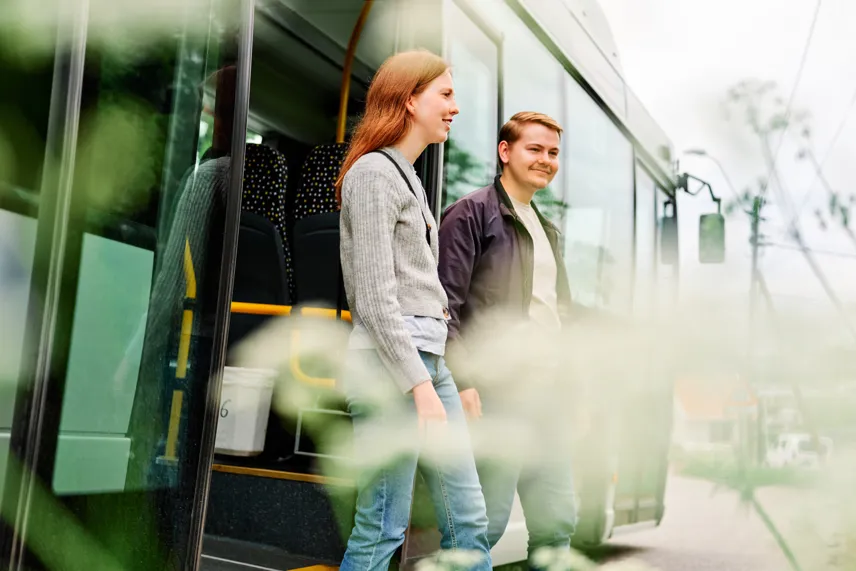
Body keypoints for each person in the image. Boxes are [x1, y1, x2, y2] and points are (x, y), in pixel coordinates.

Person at [335, 49, 492, 571]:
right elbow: (375, 300)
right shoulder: (375, 176)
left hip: (428, 364)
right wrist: (420, 387)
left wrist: (440, 375)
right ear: (409, 99)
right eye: (445, 94)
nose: (455, 107)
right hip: (390, 370)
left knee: (467, 517)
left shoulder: (406, 177)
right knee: (382, 525)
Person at [438, 111, 577, 568]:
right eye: (534, 149)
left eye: (553, 152)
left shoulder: (548, 228)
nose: (546, 160)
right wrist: (462, 382)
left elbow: (559, 316)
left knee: (557, 522)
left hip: (547, 398)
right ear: (506, 152)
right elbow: (444, 307)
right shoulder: (471, 214)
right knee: (486, 523)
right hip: (495, 395)